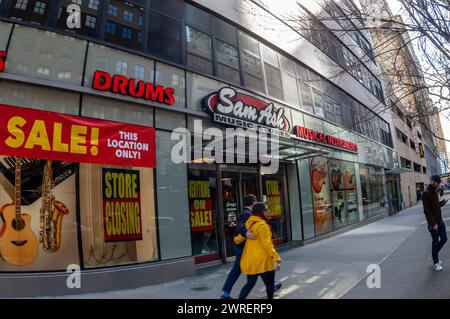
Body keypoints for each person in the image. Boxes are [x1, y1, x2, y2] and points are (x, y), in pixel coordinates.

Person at [220, 195, 282, 299]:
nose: (267, 212)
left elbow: (239, 235)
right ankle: (225, 294)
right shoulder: (250, 216)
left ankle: (226, 294)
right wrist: (246, 234)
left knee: (249, 281)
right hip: (252, 253)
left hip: (249, 253)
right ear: (254, 203)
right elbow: (266, 243)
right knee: (240, 272)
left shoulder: (250, 217)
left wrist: (242, 236)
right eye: (266, 210)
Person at [237, 202, 281, 299]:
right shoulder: (262, 225)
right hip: (263, 260)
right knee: (269, 284)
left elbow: (238, 239)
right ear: (260, 212)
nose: (267, 212)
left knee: (249, 284)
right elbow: (267, 245)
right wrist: (276, 257)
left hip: (251, 261)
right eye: (265, 210)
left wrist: (239, 238)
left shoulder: (250, 223)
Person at [422, 175, 448, 271]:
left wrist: (441, 203)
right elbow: (427, 211)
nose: (438, 184)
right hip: (434, 224)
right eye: (437, 182)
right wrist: (433, 224)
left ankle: (434, 255)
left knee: (444, 239)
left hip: (440, 221)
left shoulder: (435, 192)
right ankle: (435, 262)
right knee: (435, 242)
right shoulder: (426, 193)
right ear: (433, 181)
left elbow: (435, 206)